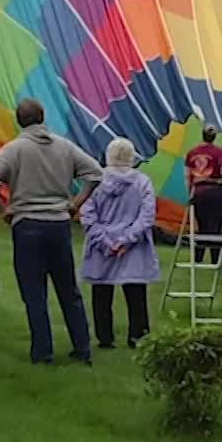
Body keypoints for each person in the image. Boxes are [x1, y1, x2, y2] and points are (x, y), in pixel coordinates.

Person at [0, 98, 103, 365]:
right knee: (68, 291)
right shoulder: (64, 146)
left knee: (35, 293)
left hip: (27, 225)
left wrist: (3, 209)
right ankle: (82, 348)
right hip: (58, 224)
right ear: (43, 116)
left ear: (19, 120)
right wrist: (76, 203)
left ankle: (42, 352)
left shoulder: (14, 149)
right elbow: (95, 173)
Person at [80, 138, 159, 349]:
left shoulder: (96, 182)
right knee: (136, 293)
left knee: (101, 293)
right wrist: (127, 239)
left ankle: (104, 338)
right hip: (134, 245)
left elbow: (87, 214)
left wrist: (105, 241)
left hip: (102, 244)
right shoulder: (143, 182)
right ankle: (138, 336)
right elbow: (147, 216)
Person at [184, 126, 222, 263]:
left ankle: (197, 259)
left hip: (198, 192)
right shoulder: (218, 152)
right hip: (215, 191)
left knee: (200, 225)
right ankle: (215, 259)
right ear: (214, 137)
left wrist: (190, 194)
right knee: (215, 226)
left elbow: (187, 175)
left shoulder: (192, 152)